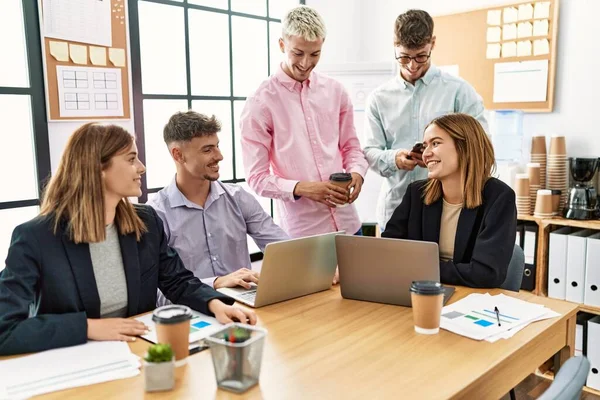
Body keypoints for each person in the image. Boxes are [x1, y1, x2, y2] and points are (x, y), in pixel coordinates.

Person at [0, 123, 256, 356]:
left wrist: (214, 303)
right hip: (74, 358)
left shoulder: (146, 221)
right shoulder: (35, 238)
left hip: (139, 352)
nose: (141, 167)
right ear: (98, 168)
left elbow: (177, 281)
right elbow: (5, 328)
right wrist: (89, 328)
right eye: (131, 159)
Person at [240, 5, 369, 239]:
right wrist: (304, 188)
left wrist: (357, 173)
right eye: (298, 53)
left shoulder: (336, 92)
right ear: (282, 45)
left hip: (350, 226)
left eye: (315, 54)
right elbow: (256, 178)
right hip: (304, 235)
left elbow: (352, 148)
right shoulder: (260, 103)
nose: (306, 63)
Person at [363, 9, 488, 232]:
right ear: (394, 44)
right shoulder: (378, 98)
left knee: (440, 268)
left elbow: (481, 147)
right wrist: (395, 158)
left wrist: (442, 157)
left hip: (448, 211)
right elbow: (370, 152)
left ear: (433, 43)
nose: (412, 65)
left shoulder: (459, 92)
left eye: (421, 56)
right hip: (396, 208)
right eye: (404, 57)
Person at [148, 111, 289, 300]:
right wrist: (215, 283)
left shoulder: (238, 197)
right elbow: (155, 294)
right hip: (191, 313)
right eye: (207, 150)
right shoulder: (156, 213)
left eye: (217, 146)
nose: (219, 156)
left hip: (243, 304)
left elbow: (283, 249)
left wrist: (314, 268)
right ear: (178, 155)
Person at [382, 114, 516, 288]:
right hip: (421, 293)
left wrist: (419, 269)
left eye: (435, 143)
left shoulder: (499, 197)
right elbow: (387, 251)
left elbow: (485, 274)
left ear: (465, 146)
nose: (426, 154)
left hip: (471, 299)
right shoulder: (417, 193)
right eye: (425, 146)